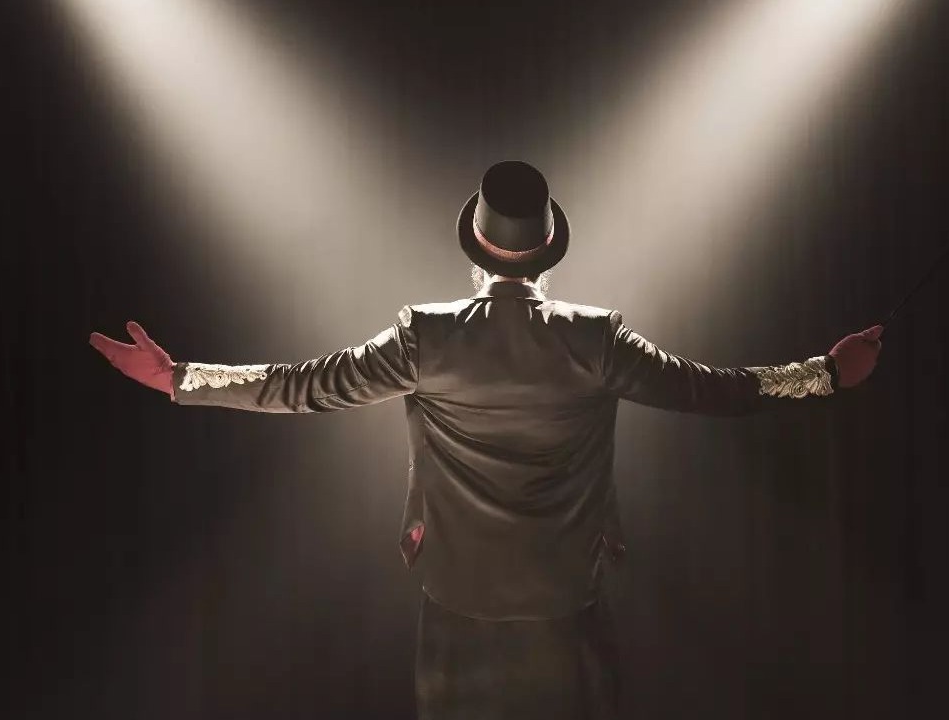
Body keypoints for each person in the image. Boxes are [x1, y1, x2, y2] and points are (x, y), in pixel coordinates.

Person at [90, 160, 882, 719]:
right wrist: (823, 374)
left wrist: (180, 378)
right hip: (567, 596)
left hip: (457, 596)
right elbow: (717, 391)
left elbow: (301, 387)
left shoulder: (426, 338)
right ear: (547, 252)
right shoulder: (597, 339)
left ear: (476, 253)